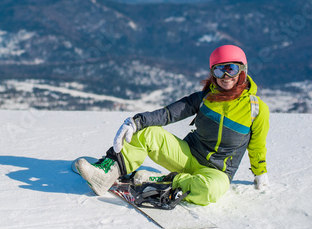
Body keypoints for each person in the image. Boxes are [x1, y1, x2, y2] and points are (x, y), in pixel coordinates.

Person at [76, 45, 270, 206]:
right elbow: (169, 114)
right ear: (212, 73)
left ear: (242, 70)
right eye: (219, 70)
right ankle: (106, 174)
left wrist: (260, 172)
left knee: (211, 190)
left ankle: (164, 181)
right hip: (187, 156)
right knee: (148, 134)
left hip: (217, 172)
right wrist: (137, 122)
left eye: (231, 69)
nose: (225, 76)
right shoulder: (205, 98)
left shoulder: (256, 109)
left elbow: (257, 145)